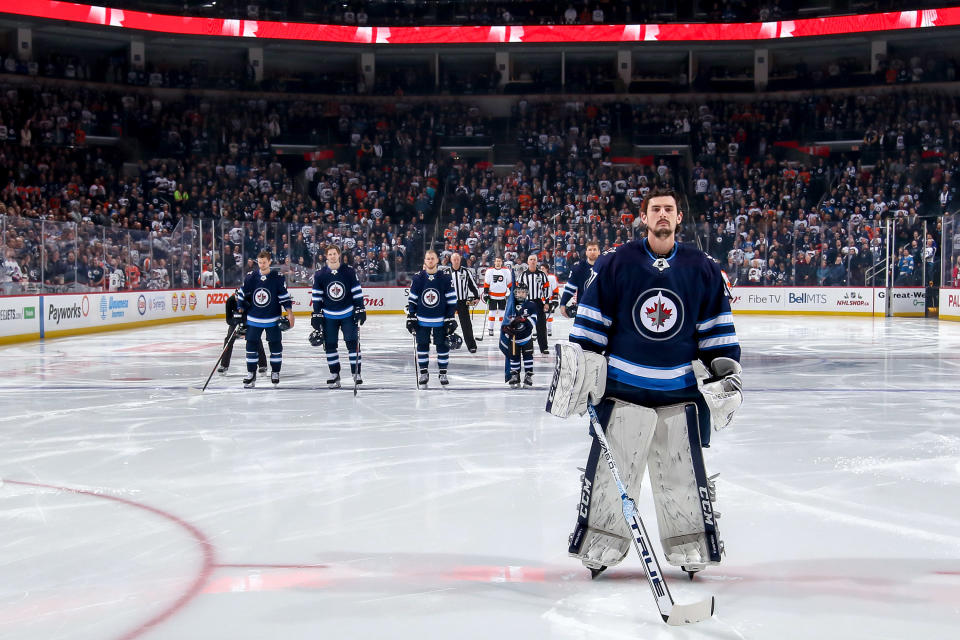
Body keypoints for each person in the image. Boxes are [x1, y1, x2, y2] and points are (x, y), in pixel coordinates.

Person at [547, 187, 742, 580]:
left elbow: (715, 330)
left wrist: (723, 374)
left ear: (678, 217)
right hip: (623, 390)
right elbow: (591, 326)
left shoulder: (702, 267)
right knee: (610, 472)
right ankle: (599, 544)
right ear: (644, 216)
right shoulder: (616, 262)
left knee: (681, 474)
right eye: (656, 210)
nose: (663, 215)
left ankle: (691, 547)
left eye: (669, 209)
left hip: (681, 391)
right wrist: (583, 370)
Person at [235, 250, 294, 388]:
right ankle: (251, 374)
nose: (262, 265)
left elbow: (284, 296)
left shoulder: (277, 277)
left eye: (264, 262)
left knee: (275, 346)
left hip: (272, 318)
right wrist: (240, 308)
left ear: (269, 262)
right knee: (251, 346)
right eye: (260, 262)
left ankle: (275, 372)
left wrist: (290, 312)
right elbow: (242, 293)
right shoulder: (251, 277)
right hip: (254, 319)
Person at [310, 245, 366, 389]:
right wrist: (316, 313)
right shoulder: (320, 274)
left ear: (339, 255)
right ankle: (334, 374)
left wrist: (360, 307)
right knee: (330, 345)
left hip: (348, 313)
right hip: (329, 315)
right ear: (326, 256)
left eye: (335, 254)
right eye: (330, 254)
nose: (332, 256)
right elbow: (317, 296)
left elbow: (356, 291)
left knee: (352, 343)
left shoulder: (348, 271)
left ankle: (356, 373)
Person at [406, 249, 457, 387]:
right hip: (422, 319)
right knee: (422, 345)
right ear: (424, 261)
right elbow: (412, 300)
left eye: (432, 258)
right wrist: (411, 316)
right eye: (427, 258)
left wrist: (450, 317)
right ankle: (424, 372)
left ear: (437, 260)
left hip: (441, 320)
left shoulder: (445, 278)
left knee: (442, 346)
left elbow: (452, 300)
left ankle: (443, 372)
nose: (430, 261)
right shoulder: (417, 278)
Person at [499, 282, 537, 387]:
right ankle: (515, 375)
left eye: (523, 292)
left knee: (528, 356)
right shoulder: (511, 305)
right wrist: (507, 328)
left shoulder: (531, 305)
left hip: (526, 338)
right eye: (518, 292)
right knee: (514, 356)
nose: (520, 294)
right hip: (514, 339)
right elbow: (506, 319)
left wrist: (524, 322)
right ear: (514, 293)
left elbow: (534, 320)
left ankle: (528, 375)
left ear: (527, 293)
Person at [219, 291, 266, 375]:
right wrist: (234, 322)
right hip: (236, 322)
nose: (238, 301)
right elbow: (228, 319)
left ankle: (262, 365)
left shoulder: (250, 300)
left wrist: (245, 322)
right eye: (237, 299)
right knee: (228, 340)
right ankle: (224, 365)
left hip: (249, 322)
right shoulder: (230, 301)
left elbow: (255, 314)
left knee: (256, 339)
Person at [446, 252, 481, 353]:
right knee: (447, 323)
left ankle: (471, 345)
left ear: (460, 260)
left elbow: (473, 285)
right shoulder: (446, 272)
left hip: (463, 302)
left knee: (466, 325)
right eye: (454, 259)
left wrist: (477, 297)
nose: (456, 261)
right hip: (449, 302)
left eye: (458, 259)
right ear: (451, 260)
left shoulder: (466, 272)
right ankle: (444, 344)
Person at [516, 254, 550, 354]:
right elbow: (518, 290)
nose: (532, 261)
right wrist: (519, 303)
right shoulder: (522, 275)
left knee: (541, 326)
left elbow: (546, 289)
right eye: (530, 259)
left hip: (538, 302)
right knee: (525, 326)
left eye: (534, 260)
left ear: (537, 261)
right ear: (528, 261)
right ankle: (526, 347)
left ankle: (544, 348)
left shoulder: (542, 275)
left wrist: (547, 302)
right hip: (526, 303)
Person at [559, 241, 600, 317]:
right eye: (590, 250)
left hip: (601, 309)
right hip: (583, 309)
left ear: (599, 252)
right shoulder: (578, 268)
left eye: (595, 249)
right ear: (586, 252)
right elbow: (570, 289)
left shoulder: (606, 267)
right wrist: (563, 303)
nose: (592, 252)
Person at [483, 256, 513, 336]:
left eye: (499, 261)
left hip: (502, 297)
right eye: (497, 261)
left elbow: (509, 284)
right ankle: (490, 329)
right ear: (494, 262)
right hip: (492, 296)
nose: (498, 262)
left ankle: (502, 328)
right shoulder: (490, 271)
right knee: (492, 313)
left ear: (502, 262)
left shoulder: (506, 271)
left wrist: (512, 292)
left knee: (502, 314)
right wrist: (486, 294)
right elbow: (486, 284)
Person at [542, 263, 560, 337]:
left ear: (547, 269)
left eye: (543, 268)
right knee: (541, 316)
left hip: (549, 300)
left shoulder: (552, 278)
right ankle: (541, 329)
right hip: (540, 300)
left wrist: (555, 299)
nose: (541, 270)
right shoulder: (538, 277)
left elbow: (555, 289)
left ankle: (549, 329)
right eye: (540, 268)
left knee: (549, 316)